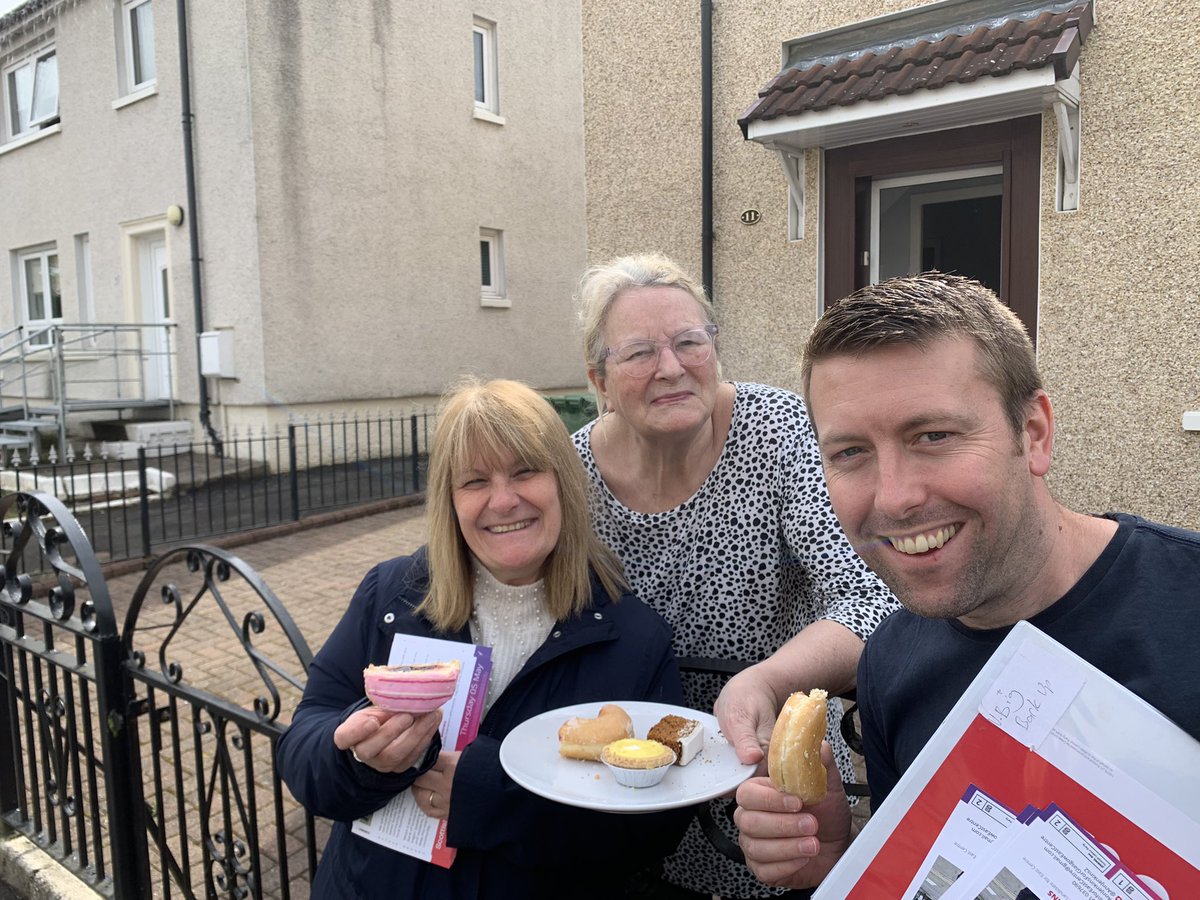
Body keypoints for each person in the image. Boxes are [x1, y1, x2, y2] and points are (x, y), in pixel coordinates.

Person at [732, 272, 1200, 889]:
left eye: (933, 436)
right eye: (849, 452)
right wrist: (839, 864)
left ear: (1033, 433)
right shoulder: (891, 661)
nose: (895, 498)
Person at [277, 378, 691, 899]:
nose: (503, 500)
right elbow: (301, 749)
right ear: (449, 500)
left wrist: (488, 796)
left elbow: (651, 830)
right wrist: (356, 759)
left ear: (564, 482)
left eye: (525, 472)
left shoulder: (632, 637)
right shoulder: (392, 596)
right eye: (474, 481)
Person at [573, 253, 899, 898]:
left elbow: (869, 597)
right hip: (623, 775)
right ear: (600, 379)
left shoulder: (776, 431)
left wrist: (768, 679)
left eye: (690, 341)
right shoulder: (574, 471)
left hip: (760, 768)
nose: (671, 367)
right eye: (638, 352)